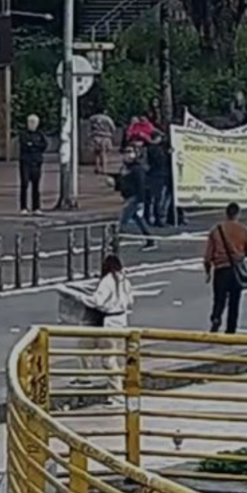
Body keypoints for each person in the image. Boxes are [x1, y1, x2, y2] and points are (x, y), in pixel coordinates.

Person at [79, 254, 133, 398]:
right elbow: (130, 300)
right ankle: (86, 377)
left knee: (108, 360)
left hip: (108, 323)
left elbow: (98, 301)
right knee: (89, 346)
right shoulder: (124, 280)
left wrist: (82, 298)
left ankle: (116, 394)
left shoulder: (107, 280)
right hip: (122, 322)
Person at [204, 203, 247, 334]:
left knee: (219, 298)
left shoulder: (216, 230)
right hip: (236, 269)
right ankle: (231, 330)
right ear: (238, 214)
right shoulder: (243, 229)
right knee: (234, 302)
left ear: (226, 214)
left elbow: (208, 255)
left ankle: (216, 317)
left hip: (220, 269)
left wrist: (208, 271)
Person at [18, 115, 48, 216]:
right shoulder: (23, 134)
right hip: (25, 162)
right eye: (30, 122)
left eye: (34, 122)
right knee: (24, 184)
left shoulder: (40, 134)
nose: (32, 124)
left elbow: (44, 145)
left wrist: (33, 145)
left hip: (36, 162)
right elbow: (24, 145)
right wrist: (35, 145)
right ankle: (23, 207)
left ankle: (36, 207)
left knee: (36, 186)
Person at [144, 133, 169, 227]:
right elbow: (159, 162)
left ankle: (150, 218)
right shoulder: (155, 149)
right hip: (156, 175)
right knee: (155, 198)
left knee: (152, 198)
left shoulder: (151, 148)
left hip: (155, 175)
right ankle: (156, 218)